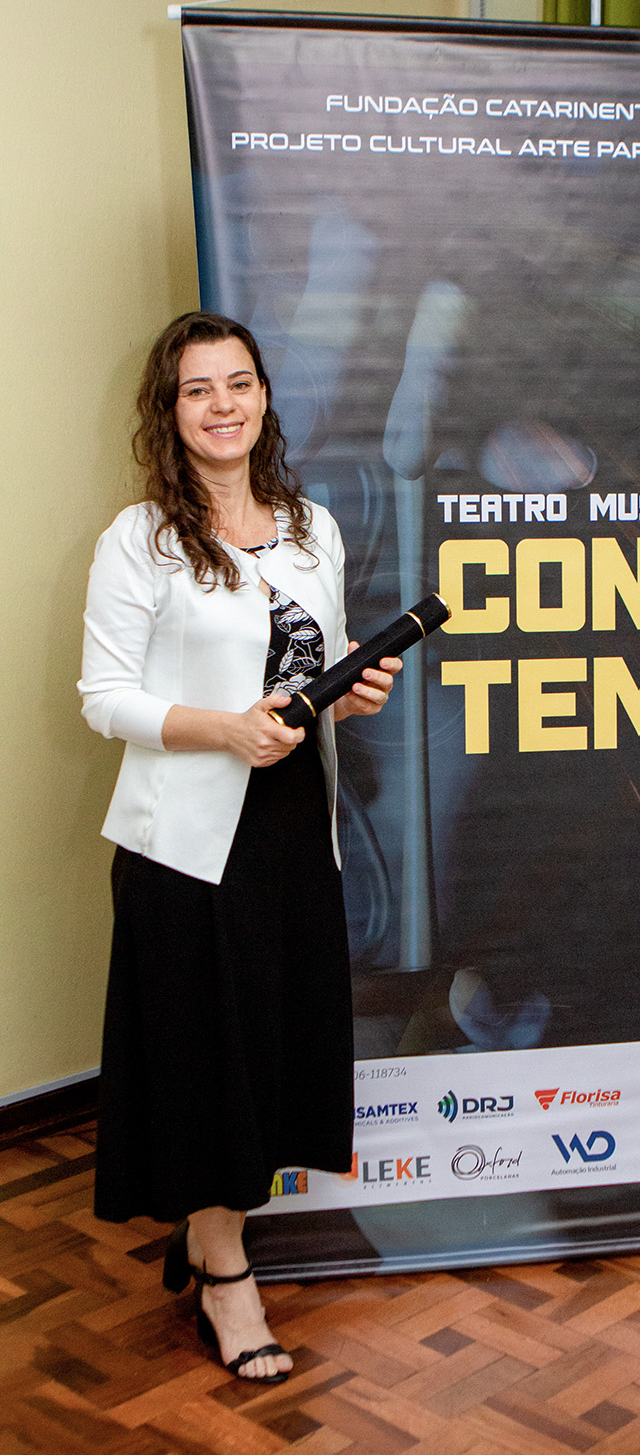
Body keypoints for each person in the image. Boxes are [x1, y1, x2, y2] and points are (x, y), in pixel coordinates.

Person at [79, 311, 401, 1384]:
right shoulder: (141, 539)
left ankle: (210, 1232)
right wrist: (226, 730)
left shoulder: (313, 527)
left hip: (293, 832)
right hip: (185, 843)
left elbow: (310, 670)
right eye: (197, 389)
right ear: (168, 411)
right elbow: (104, 699)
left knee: (267, 1050)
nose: (223, 405)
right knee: (208, 1060)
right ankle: (227, 1278)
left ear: (264, 396)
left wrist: (351, 693)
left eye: (240, 383)